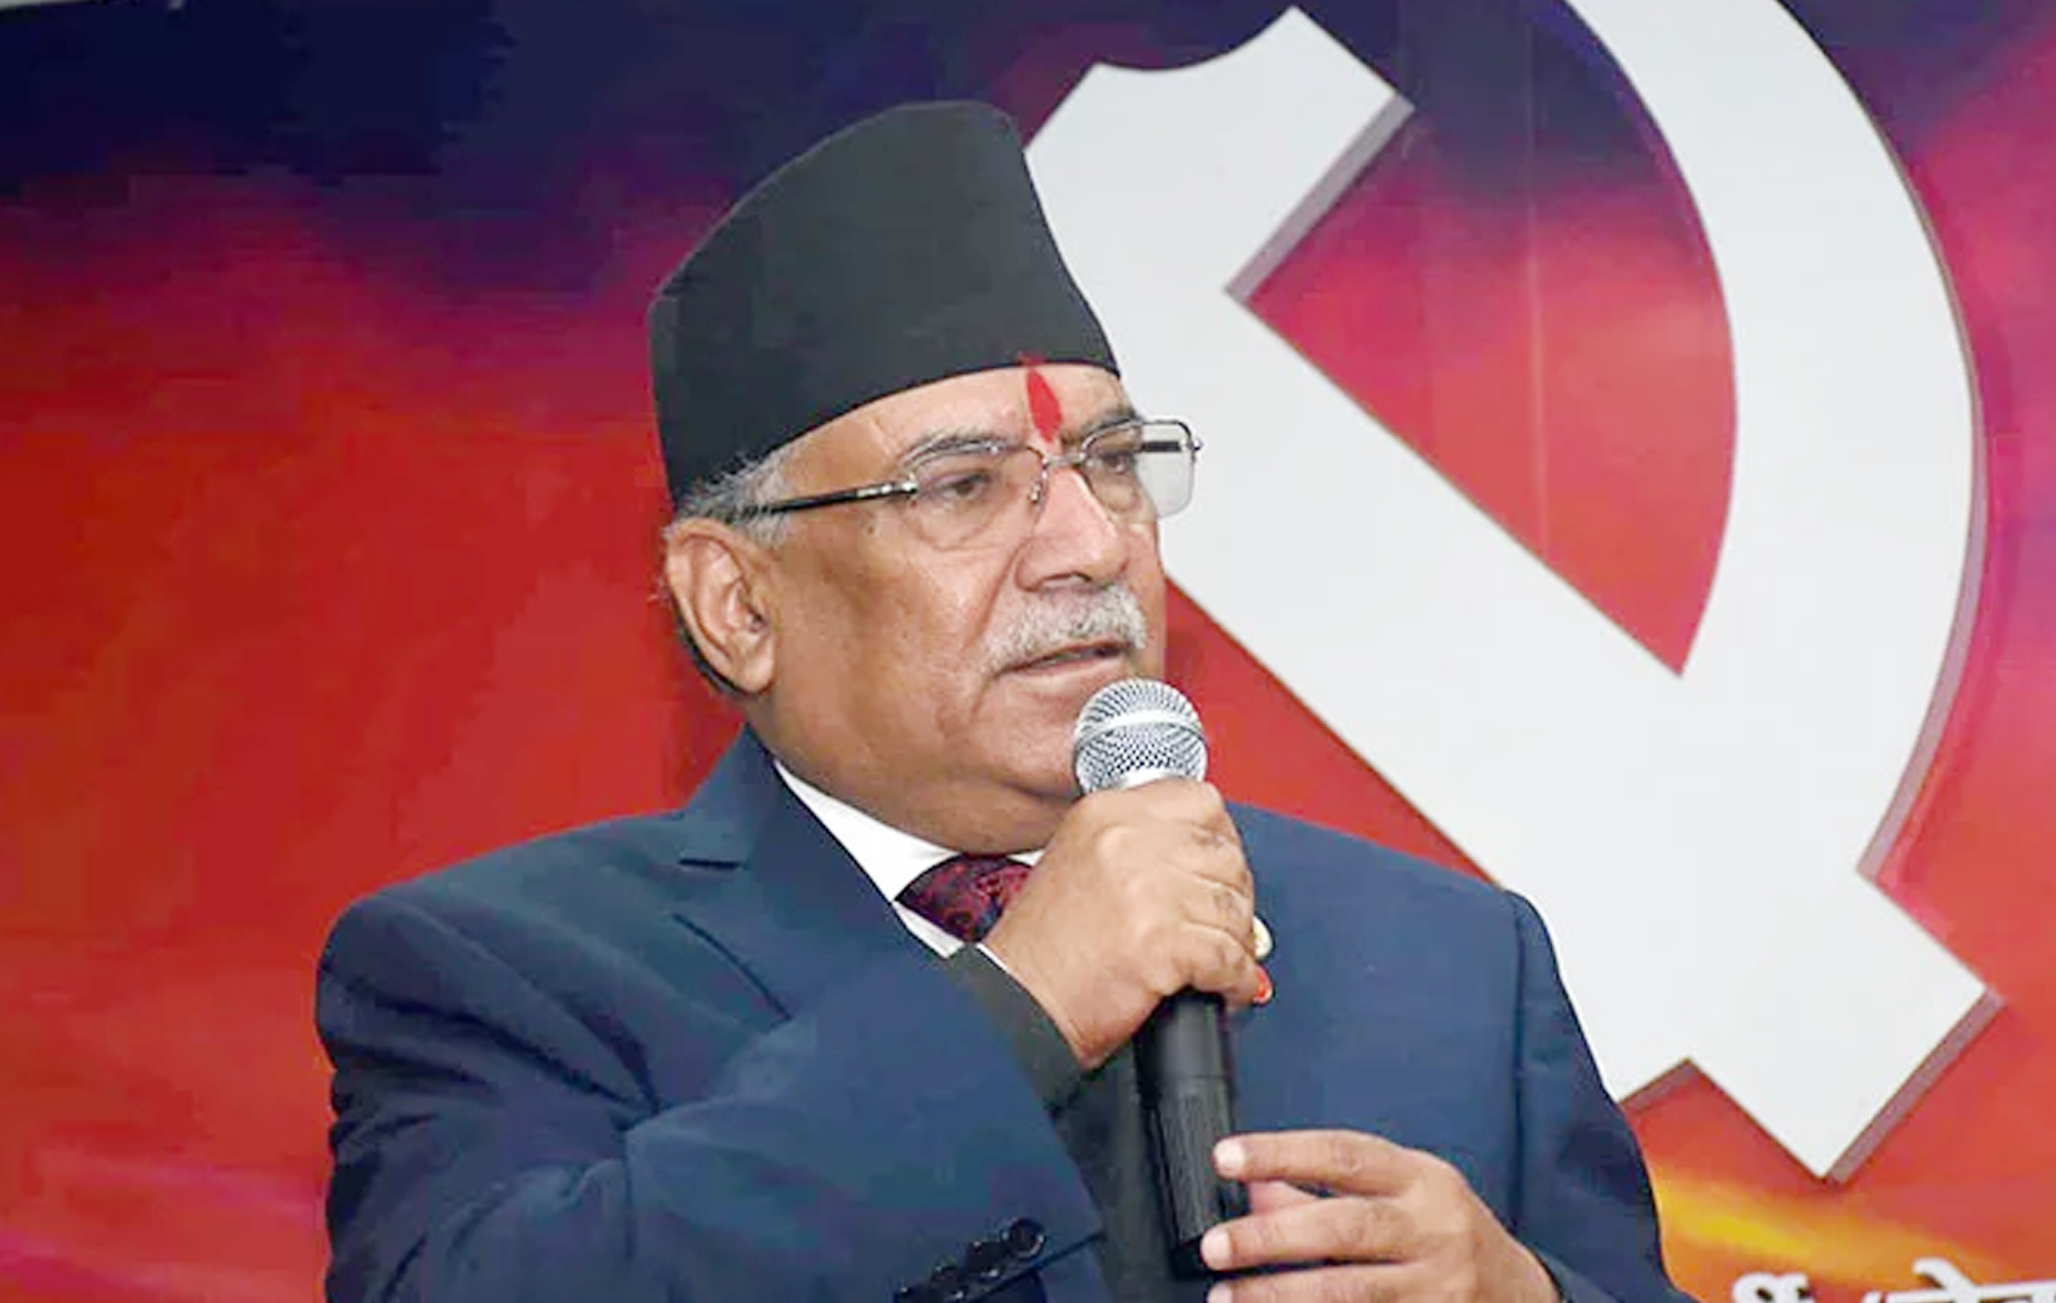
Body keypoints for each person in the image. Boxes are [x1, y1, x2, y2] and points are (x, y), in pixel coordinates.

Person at [317, 101, 1695, 1303]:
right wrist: (1024, 1000)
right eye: (962, 486)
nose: (1090, 545)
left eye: (1113, 460)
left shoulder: (1451, 960)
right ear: (737, 602)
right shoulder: (504, 975)